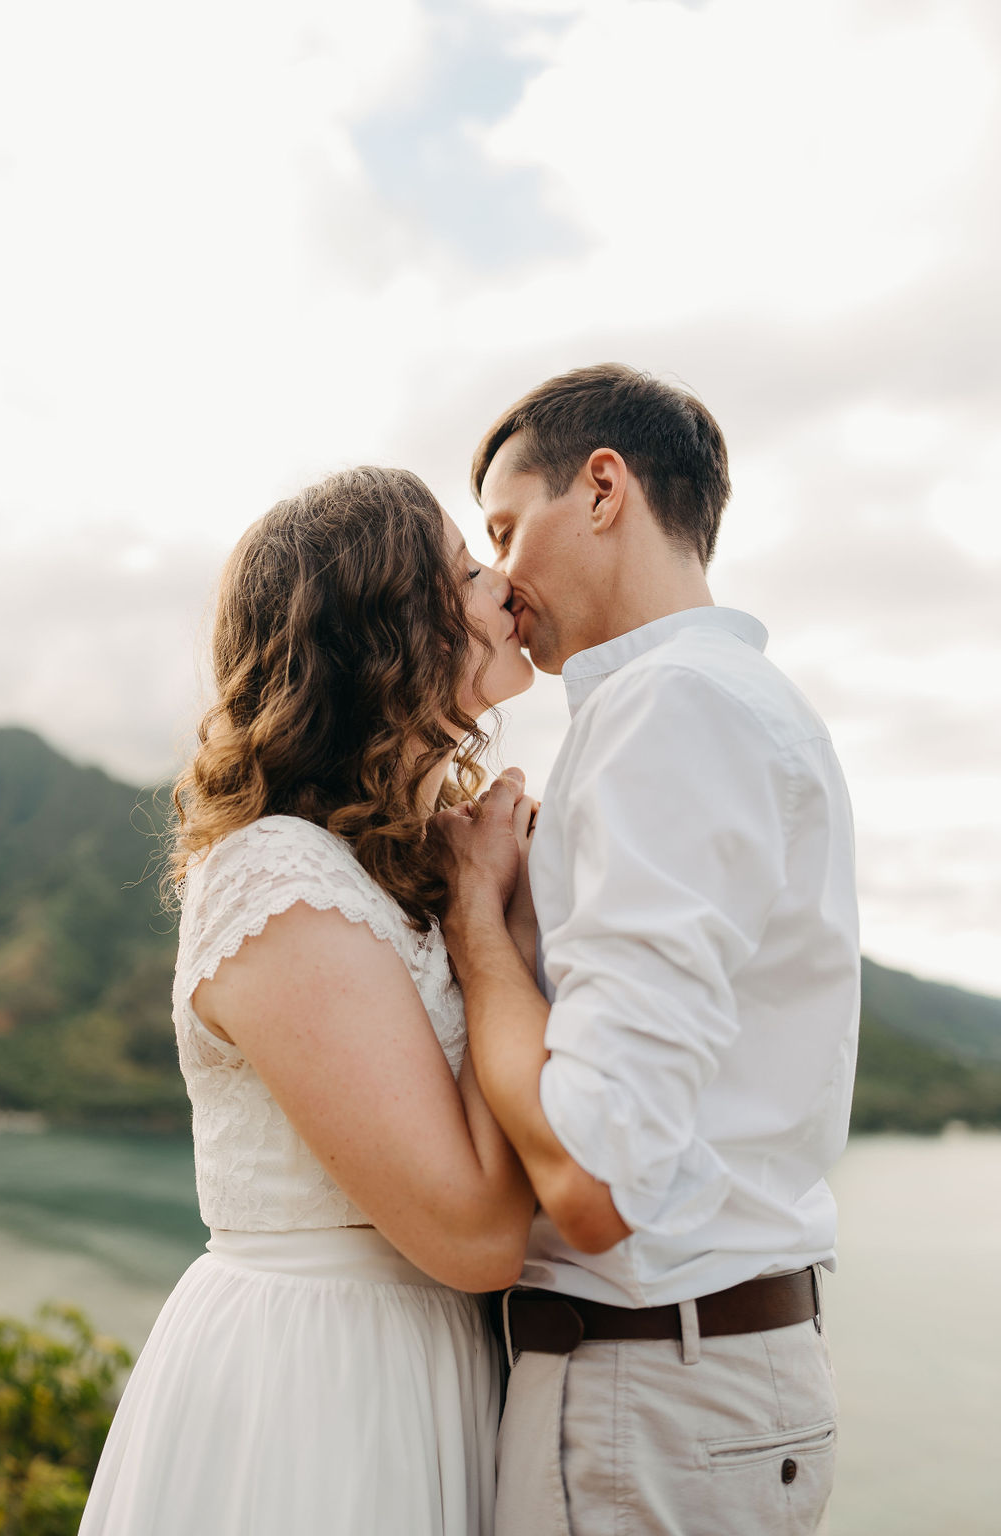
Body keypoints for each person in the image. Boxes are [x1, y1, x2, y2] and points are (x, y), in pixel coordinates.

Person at [435, 364, 860, 1536]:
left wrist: (480, 924)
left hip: (648, 1398)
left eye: (506, 529)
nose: (501, 582)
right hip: (703, 1385)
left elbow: (594, 1175)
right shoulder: (733, 700)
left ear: (604, 487)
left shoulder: (667, 708)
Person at [78, 467, 538, 1536]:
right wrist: (491, 928)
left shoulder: (395, 860)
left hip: (428, 1364)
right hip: (318, 1386)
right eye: (468, 572)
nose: (504, 587)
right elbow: (473, 1236)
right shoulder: (277, 876)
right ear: (391, 630)